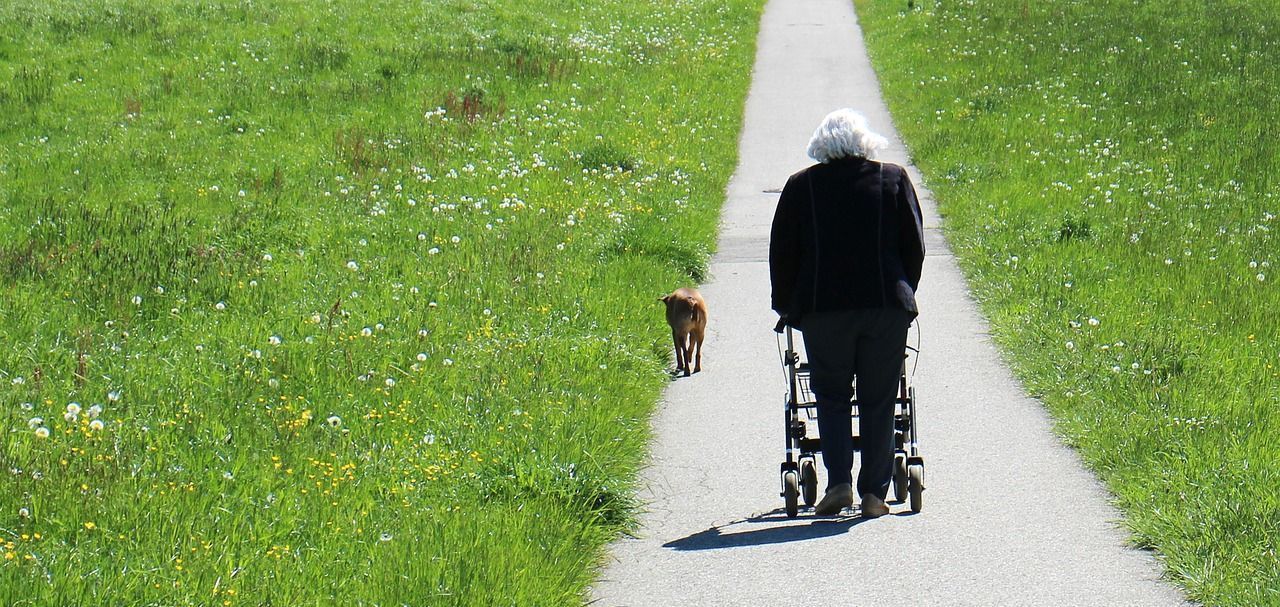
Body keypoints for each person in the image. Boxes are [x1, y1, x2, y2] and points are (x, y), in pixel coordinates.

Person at [769, 109, 925, 517]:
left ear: (821, 145)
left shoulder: (801, 187)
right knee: (879, 397)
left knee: (832, 395)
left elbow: (782, 254)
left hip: (825, 310)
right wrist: (904, 291)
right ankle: (874, 493)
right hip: (884, 306)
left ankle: (838, 482)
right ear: (865, 142)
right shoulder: (892, 179)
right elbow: (915, 246)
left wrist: (788, 306)